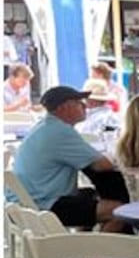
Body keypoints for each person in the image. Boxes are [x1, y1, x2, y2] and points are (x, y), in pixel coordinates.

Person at [6, 86, 129, 229]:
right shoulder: (59, 131)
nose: (85, 105)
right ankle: (94, 251)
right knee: (119, 210)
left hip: (26, 202)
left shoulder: (45, 126)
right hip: (42, 206)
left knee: (90, 195)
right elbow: (102, 165)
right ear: (64, 107)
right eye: (79, 102)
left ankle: (79, 246)